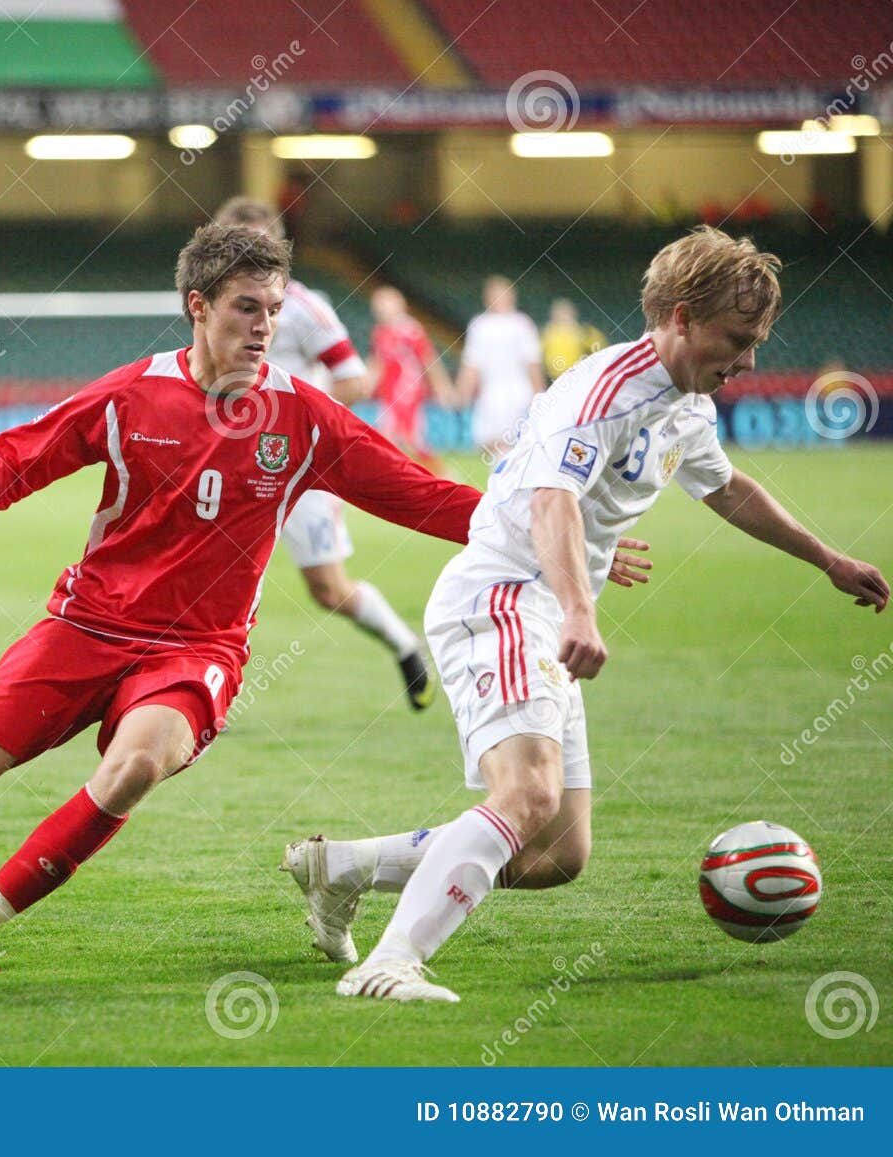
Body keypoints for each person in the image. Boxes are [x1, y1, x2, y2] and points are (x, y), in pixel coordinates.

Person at [0, 223, 487, 976]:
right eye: (248, 307)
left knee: (138, 762)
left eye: (273, 309)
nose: (266, 326)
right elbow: (22, 458)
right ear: (198, 306)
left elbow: (419, 495)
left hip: (198, 649)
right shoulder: (130, 396)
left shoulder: (302, 417)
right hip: (89, 621)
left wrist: (540, 531)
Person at [281, 226, 889, 1003]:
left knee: (557, 853)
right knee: (526, 795)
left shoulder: (687, 403)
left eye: (757, 342)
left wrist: (827, 558)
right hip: (503, 598)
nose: (748, 362)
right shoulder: (604, 391)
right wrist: (579, 605)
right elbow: (552, 495)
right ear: (678, 317)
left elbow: (728, 487)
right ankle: (391, 963)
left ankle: (345, 867)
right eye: (737, 340)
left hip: (545, 607)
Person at [213, 198, 435, 710]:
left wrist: (291, 425)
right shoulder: (212, 303)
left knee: (329, 589)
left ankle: (404, 645)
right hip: (228, 467)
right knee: (213, 579)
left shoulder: (303, 307)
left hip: (293, 470)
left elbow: (354, 380)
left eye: (256, 246)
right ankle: (200, 694)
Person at [366, 286, 455, 475]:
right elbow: (377, 363)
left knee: (411, 438)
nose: (380, 309)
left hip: (408, 393)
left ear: (399, 304)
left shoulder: (410, 330)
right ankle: (397, 479)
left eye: (384, 304)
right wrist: (367, 385)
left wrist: (442, 387)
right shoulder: (380, 333)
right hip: (389, 395)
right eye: (378, 305)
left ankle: (442, 476)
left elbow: (428, 359)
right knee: (390, 438)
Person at [457, 276, 544, 459]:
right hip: (491, 393)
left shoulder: (522, 324)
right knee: (489, 442)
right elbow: (471, 365)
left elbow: (532, 363)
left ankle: (510, 480)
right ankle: (500, 479)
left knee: (516, 442)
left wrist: (539, 395)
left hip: (518, 392)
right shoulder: (479, 325)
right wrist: (463, 392)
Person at [540, 298, 606, 382]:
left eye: (566, 313)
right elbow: (537, 356)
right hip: (553, 379)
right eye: (559, 313)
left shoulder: (584, 331)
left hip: (577, 377)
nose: (563, 317)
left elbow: (601, 349)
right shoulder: (547, 333)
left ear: (574, 314)